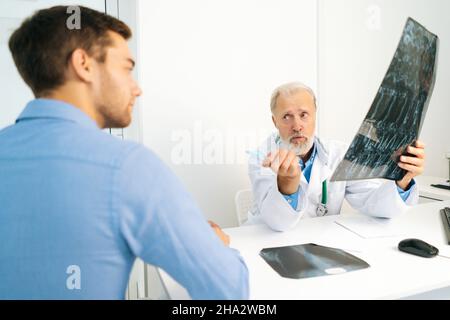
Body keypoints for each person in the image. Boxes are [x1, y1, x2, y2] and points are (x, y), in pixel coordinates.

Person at [0, 6, 248, 299]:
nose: (137, 88)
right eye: (127, 68)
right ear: (84, 64)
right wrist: (215, 247)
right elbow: (228, 292)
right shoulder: (127, 167)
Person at [248, 82, 425, 231]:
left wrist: (403, 179)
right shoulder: (262, 157)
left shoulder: (339, 153)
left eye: (304, 115)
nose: (297, 126)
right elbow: (278, 222)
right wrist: (287, 184)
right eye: (287, 116)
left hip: (322, 244)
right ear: (275, 121)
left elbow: (373, 202)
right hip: (267, 243)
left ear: (315, 114)